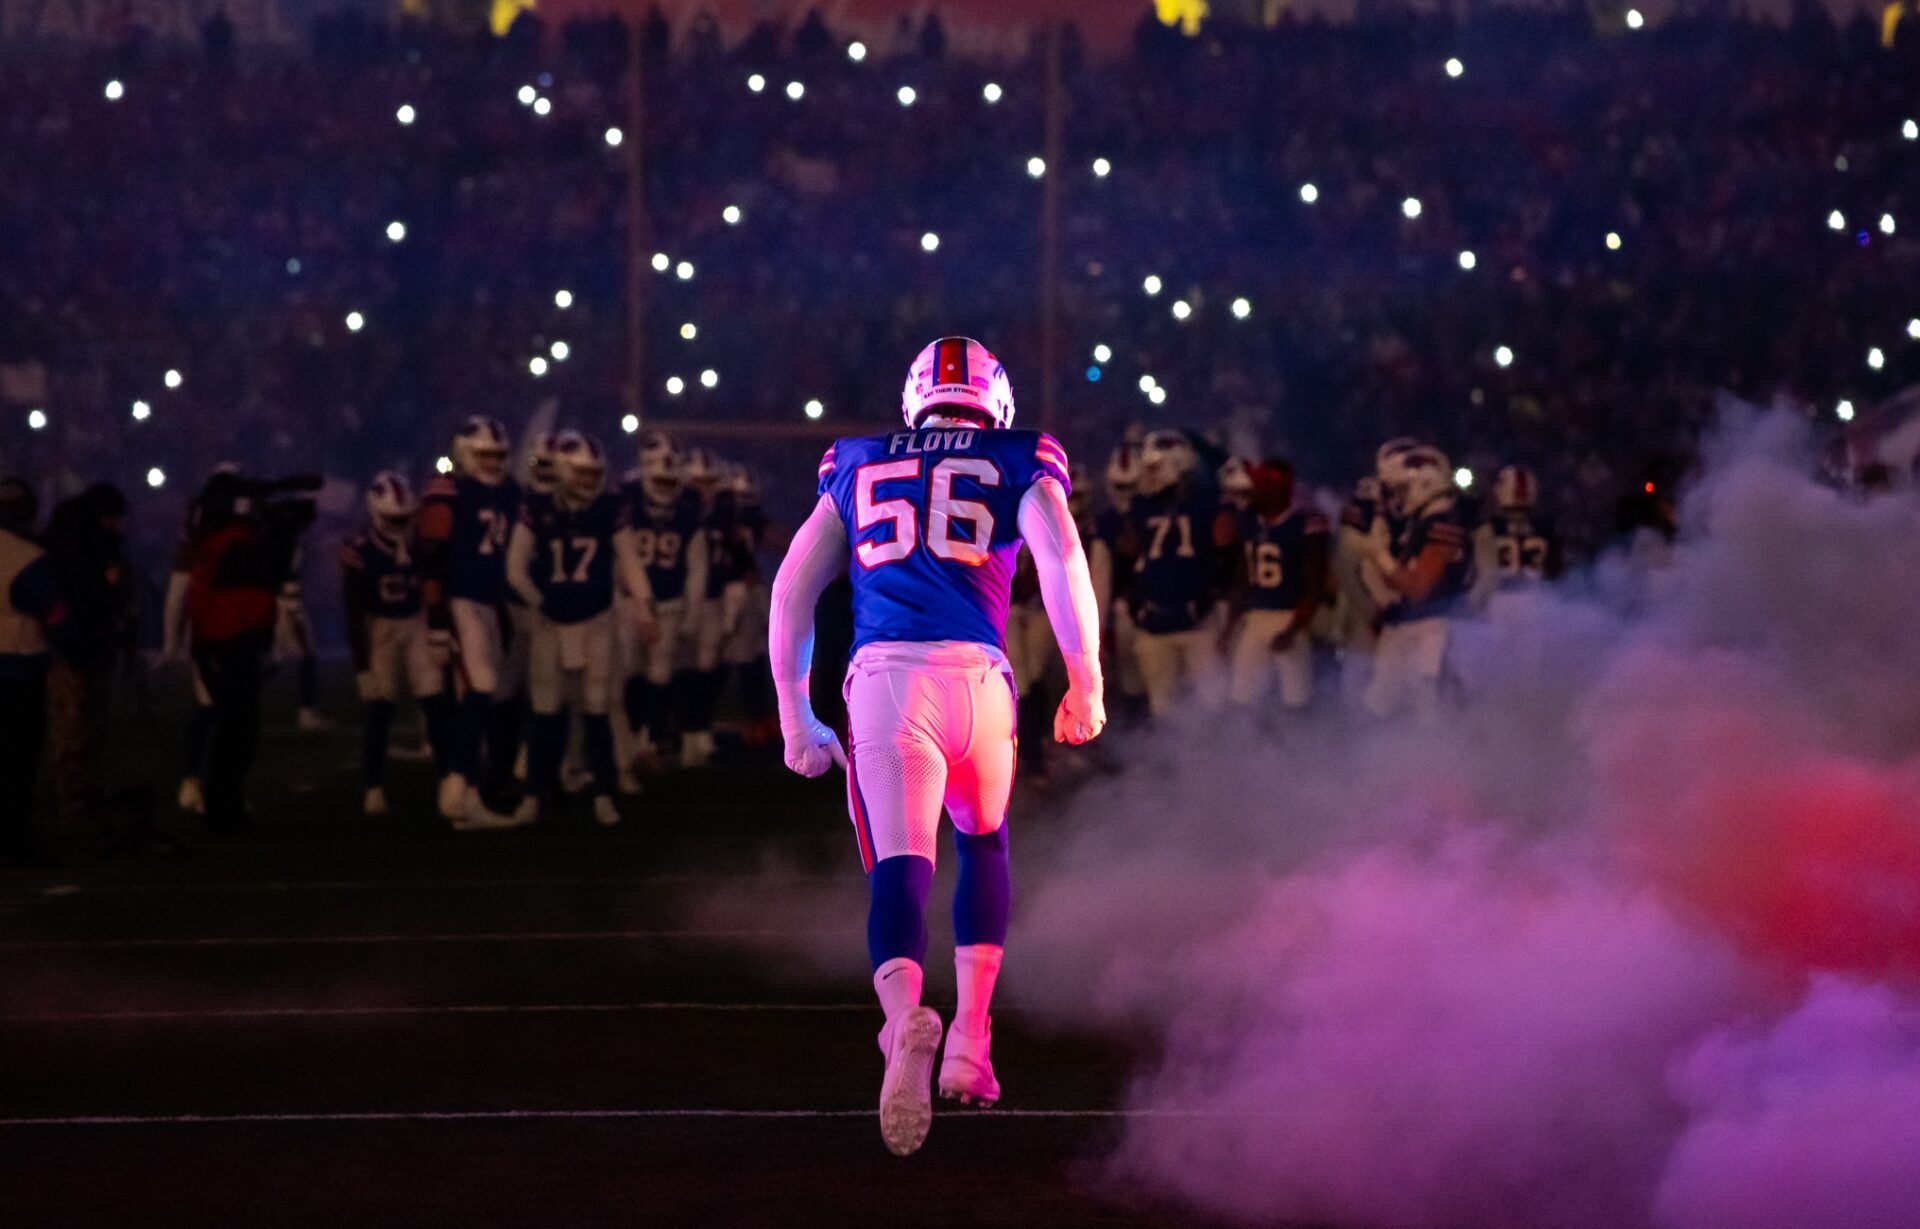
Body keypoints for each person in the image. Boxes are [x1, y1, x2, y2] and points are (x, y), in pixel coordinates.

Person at [769, 336, 1106, 1157]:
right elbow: (1061, 554)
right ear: (996, 399)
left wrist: (794, 713)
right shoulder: (1020, 454)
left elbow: (792, 587)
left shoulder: (855, 460)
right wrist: (1084, 676)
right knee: (983, 843)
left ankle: (901, 1019)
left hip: (888, 681)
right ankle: (971, 1042)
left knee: (901, 865)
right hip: (981, 680)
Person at [507, 431, 651, 826]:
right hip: (551, 622)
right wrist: (541, 601)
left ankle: (604, 792)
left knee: (597, 709)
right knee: (545, 712)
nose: (590, 482)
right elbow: (515, 569)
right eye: (583, 474)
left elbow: (630, 563)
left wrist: (645, 608)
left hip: (596, 619)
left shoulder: (607, 508)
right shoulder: (538, 507)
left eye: (594, 474)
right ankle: (534, 794)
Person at [182, 470, 318, 831]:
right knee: (237, 730)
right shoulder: (233, 543)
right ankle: (222, 806)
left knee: (236, 728)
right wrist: (284, 532)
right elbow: (268, 575)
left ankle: (224, 803)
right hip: (229, 643)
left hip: (226, 641)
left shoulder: (219, 541)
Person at [417, 416, 523, 828]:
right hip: (459, 602)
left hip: (489, 602)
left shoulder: (510, 493)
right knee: (480, 687)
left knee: (479, 697)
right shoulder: (449, 492)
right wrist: (437, 622)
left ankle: (468, 794)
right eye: (484, 455)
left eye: (498, 456)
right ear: (464, 453)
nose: (493, 463)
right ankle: (456, 786)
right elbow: (432, 560)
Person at [341, 472, 454, 816]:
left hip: (416, 621)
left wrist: (438, 628)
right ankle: (373, 786)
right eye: (394, 519)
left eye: (406, 518)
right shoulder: (361, 550)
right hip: (382, 629)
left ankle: (451, 780)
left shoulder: (420, 542)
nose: (402, 524)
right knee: (380, 706)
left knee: (434, 702)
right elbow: (355, 612)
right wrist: (362, 665)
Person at [44, 483, 135, 832]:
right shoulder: (83, 551)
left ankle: (80, 792)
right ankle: (72, 797)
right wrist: (109, 588)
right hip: (76, 647)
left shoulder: (84, 546)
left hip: (88, 645)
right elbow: (90, 596)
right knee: (74, 726)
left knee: (85, 725)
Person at [1122, 429, 1229, 716]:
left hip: (1198, 620)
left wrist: (1214, 596)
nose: (1149, 474)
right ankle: (1170, 760)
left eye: (1155, 467)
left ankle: (1217, 759)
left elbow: (1228, 555)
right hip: (1155, 619)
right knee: (1162, 708)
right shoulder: (1142, 505)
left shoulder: (1208, 501)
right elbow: (1128, 553)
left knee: (1212, 705)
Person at [1365, 444, 1475, 720]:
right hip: (1411, 625)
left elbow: (1419, 587)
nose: (1399, 498)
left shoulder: (1442, 525)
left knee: (1428, 713)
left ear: (1424, 484)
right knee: (1379, 707)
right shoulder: (1423, 523)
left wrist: (1381, 556)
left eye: (1403, 489)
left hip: (1433, 628)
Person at [0, 477, 76, 864]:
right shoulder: (27, 558)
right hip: (17, 671)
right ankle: (14, 840)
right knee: (17, 761)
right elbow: (55, 612)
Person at [621, 435, 706, 768]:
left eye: (671, 480)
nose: (666, 486)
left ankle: (651, 740)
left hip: (669, 602)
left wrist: (691, 612)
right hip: (629, 603)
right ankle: (628, 737)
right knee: (628, 671)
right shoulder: (627, 504)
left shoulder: (687, 513)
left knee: (659, 674)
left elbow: (696, 568)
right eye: (660, 479)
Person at [1224, 459, 1329, 716]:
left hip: (1288, 614)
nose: (1253, 492)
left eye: (1260, 486)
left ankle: (1301, 751)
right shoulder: (1250, 520)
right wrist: (1229, 626)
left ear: (1277, 491)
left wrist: (1293, 629)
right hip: (1255, 616)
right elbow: (1242, 576)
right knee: (1242, 697)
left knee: (1296, 700)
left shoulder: (1304, 522)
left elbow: (1314, 584)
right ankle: (1251, 749)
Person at [1471, 464, 1561, 607]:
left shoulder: (1488, 529)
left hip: (1499, 602)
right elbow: (1556, 576)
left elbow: (1485, 576)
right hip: (1539, 603)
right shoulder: (1547, 528)